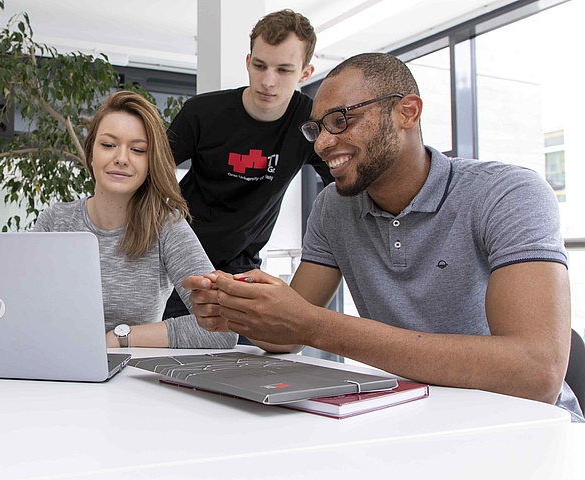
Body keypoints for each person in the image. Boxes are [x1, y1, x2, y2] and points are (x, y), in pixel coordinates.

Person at [184, 52, 584, 421]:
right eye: (316, 129)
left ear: (406, 112)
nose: (322, 144)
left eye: (341, 120)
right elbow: (288, 335)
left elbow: (537, 374)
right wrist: (240, 312)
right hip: (413, 419)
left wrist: (314, 326)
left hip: (528, 428)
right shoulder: (333, 208)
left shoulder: (509, 193)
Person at [163, 9, 333, 319]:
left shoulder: (311, 123)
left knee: (246, 362)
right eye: (260, 66)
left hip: (243, 270)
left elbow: (343, 185)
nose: (268, 81)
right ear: (247, 62)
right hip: (179, 261)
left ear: (305, 73)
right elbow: (149, 176)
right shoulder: (202, 113)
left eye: (283, 70)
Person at [33, 90, 237, 349]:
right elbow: (20, 306)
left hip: (130, 380)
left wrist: (120, 338)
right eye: (108, 145)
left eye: (138, 149)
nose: (121, 158)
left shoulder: (167, 226)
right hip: (54, 369)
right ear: (91, 153)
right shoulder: (55, 222)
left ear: (151, 161)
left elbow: (221, 329)